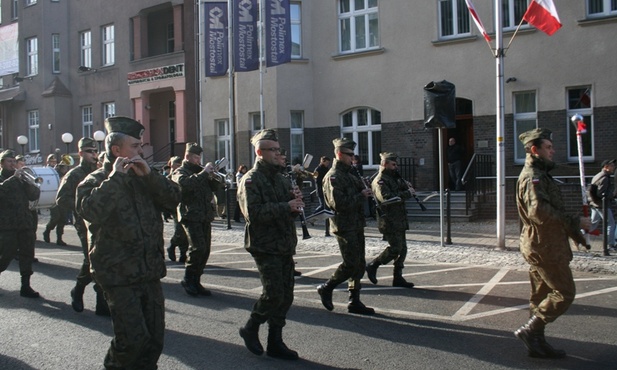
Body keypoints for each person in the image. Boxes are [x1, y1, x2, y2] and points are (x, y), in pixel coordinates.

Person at [76, 116, 180, 369]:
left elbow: (173, 199)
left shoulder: (144, 176)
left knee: (154, 342)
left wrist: (150, 178)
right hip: (118, 274)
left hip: (148, 271)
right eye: (135, 146)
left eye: (141, 145)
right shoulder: (96, 181)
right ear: (116, 150)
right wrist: (117, 178)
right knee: (132, 341)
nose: (141, 151)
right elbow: (90, 212)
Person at [514, 128, 590, 359]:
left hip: (543, 244)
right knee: (564, 293)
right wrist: (576, 221)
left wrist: (576, 234)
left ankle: (536, 341)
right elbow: (540, 212)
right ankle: (531, 330)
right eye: (548, 147)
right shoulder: (532, 177)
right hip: (545, 246)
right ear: (535, 150)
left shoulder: (540, 174)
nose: (553, 151)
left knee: (540, 295)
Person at [237, 129, 303, 360]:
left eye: (278, 149)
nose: (278, 154)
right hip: (264, 244)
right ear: (259, 152)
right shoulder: (251, 180)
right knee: (273, 293)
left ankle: (275, 341)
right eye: (272, 150)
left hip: (284, 242)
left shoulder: (281, 178)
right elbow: (253, 214)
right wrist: (286, 206)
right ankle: (251, 327)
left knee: (286, 295)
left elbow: (288, 211)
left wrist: (294, 206)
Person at [316, 138, 375, 315]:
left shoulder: (351, 173)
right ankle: (327, 287)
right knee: (350, 263)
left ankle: (354, 299)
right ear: (339, 154)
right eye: (350, 155)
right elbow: (338, 203)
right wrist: (361, 195)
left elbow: (358, 192)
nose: (353, 158)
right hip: (344, 225)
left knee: (359, 264)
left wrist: (364, 188)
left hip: (356, 223)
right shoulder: (333, 176)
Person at [56, 137, 109, 315]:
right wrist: (82, 205)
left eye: (95, 151)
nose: (93, 155)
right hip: (84, 223)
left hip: (102, 222)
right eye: (89, 151)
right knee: (91, 260)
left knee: (103, 259)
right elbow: (61, 200)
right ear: (80, 154)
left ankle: (101, 303)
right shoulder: (74, 174)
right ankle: (78, 290)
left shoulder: (101, 171)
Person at [171, 143, 220, 296]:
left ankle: (196, 280)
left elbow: (216, 187)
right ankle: (188, 279)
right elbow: (185, 185)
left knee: (205, 250)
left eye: (199, 157)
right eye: (196, 157)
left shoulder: (200, 171)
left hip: (204, 215)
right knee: (197, 248)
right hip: (190, 215)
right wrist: (204, 173)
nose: (199, 160)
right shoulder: (180, 171)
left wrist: (214, 176)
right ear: (187, 156)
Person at [366, 152, 415, 289]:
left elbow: (399, 191)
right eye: (393, 164)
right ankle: (373, 265)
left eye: (396, 164)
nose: (396, 167)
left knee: (403, 249)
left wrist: (406, 187)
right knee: (395, 248)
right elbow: (386, 199)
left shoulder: (394, 178)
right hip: (389, 219)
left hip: (399, 218)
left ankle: (398, 276)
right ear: (384, 164)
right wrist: (407, 193)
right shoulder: (380, 180)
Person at [0, 149, 41, 298]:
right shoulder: (5, 179)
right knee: (5, 255)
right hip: (7, 225)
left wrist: (31, 183)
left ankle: (26, 286)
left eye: (14, 162)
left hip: (24, 223)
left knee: (27, 254)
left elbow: (33, 196)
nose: (12, 164)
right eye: (9, 162)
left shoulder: (21, 179)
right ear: (2, 163)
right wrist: (13, 179)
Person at [588, 159, 616, 255]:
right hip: (602, 205)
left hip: (594, 204)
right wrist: (611, 195)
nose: (614, 167)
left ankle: (578, 235)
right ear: (606, 167)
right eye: (612, 166)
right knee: (611, 224)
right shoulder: (604, 178)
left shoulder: (597, 175)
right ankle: (610, 245)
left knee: (593, 224)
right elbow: (601, 194)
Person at [166, 156, 189, 262]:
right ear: (171, 164)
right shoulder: (168, 178)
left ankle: (183, 254)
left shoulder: (184, 174)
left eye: (180, 164)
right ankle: (172, 245)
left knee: (185, 232)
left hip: (185, 206)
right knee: (179, 231)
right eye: (176, 164)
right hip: (175, 208)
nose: (178, 166)